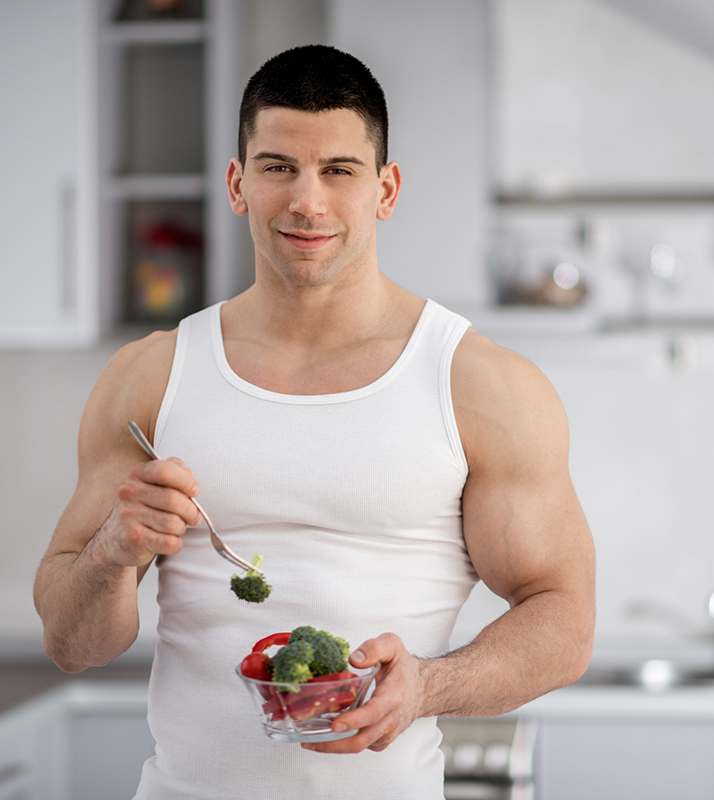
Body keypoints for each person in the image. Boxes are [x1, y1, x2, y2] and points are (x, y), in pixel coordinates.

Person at [33, 44, 595, 799]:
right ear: (237, 183)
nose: (307, 201)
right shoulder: (150, 377)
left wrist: (427, 687)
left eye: (339, 170)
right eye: (277, 167)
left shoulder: (480, 385)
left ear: (385, 190)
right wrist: (111, 550)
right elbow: (72, 644)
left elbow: (564, 619)